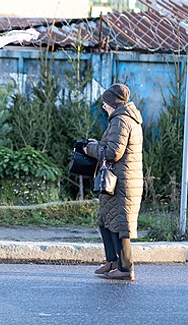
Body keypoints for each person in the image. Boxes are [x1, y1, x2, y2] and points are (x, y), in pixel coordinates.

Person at [84, 83, 143, 281]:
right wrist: (96, 145)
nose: (103, 107)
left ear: (112, 103)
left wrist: (91, 149)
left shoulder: (121, 120)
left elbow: (113, 153)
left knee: (120, 225)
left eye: (105, 104)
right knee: (105, 220)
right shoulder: (123, 119)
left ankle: (126, 269)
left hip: (122, 181)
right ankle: (113, 261)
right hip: (117, 179)